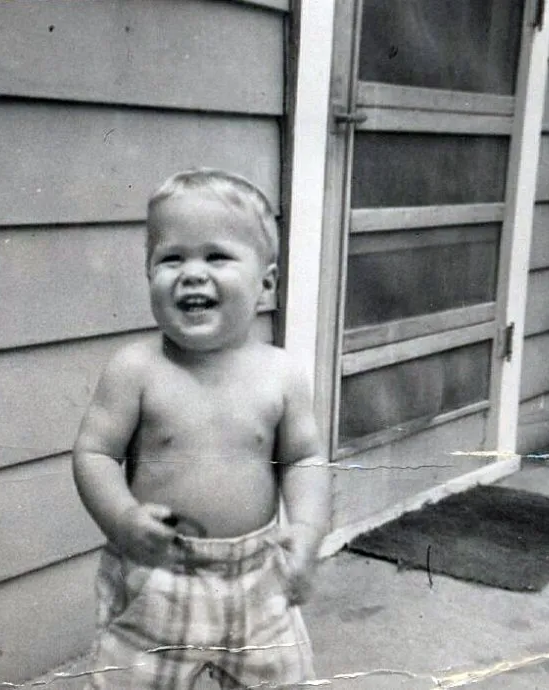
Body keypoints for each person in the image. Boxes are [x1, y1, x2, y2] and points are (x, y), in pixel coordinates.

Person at [73, 168, 330, 688]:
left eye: (216, 256)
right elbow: (94, 454)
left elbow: (304, 458)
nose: (192, 273)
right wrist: (121, 519)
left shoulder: (281, 374)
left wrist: (306, 531)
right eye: (172, 258)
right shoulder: (136, 369)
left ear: (267, 283)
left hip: (260, 577)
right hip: (161, 575)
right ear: (150, 275)